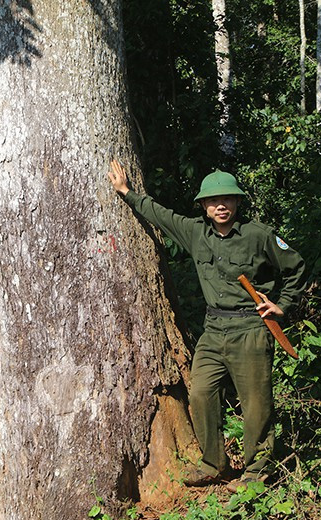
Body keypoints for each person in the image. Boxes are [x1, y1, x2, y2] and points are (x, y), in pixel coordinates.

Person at [107, 159, 306, 492]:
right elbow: (160, 214)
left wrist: (282, 305)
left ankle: (257, 471)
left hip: (251, 330)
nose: (221, 205)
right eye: (213, 201)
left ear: (238, 201)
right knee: (200, 393)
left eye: (227, 199)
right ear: (203, 206)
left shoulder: (259, 235)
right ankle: (214, 463)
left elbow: (296, 266)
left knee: (255, 402)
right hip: (214, 329)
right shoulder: (195, 232)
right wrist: (127, 192)